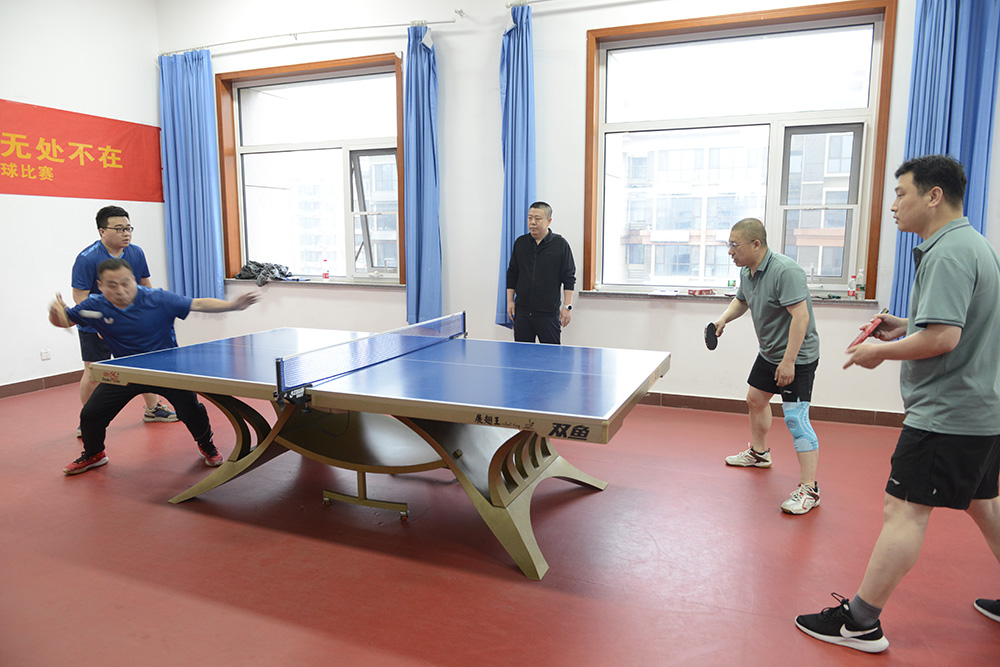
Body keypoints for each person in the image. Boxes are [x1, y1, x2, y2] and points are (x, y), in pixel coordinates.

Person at [795, 155, 1000, 653]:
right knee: (985, 505)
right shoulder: (974, 245)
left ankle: (860, 622)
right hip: (981, 410)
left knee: (903, 511)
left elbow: (945, 338)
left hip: (947, 414)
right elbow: (957, 322)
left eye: (901, 194)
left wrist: (879, 352)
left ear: (933, 196)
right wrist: (906, 326)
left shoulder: (948, 253)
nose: (893, 206)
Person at [49, 258, 261, 475]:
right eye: (112, 285)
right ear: (100, 286)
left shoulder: (158, 298)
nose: (120, 290)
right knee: (91, 414)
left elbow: (197, 304)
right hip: (126, 372)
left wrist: (234, 305)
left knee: (191, 411)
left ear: (134, 280)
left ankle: (206, 445)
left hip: (166, 371)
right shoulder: (94, 306)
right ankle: (94, 454)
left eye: (125, 283)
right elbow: (65, 320)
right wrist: (55, 313)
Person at [711, 218, 822, 515]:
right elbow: (742, 301)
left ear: (756, 244)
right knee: (755, 400)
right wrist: (723, 319)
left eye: (735, 246)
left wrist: (789, 362)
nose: (730, 252)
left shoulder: (786, 271)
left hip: (797, 356)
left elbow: (801, 317)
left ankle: (810, 489)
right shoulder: (747, 271)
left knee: (796, 419)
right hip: (770, 352)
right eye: (729, 245)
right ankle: (760, 454)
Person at [72, 205, 176, 433]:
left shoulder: (136, 252)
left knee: (143, 367)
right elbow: (80, 296)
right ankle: (87, 420)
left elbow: (145, 284)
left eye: (128, 228)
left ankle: (153, 409)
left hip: (131, 324)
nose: (126, 233)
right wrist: (100, 324)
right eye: (119, 229)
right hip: (95, 325)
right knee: (93, 373)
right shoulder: (87, 258)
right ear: (102, 231)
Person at [505, 201, 576, 344]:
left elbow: (569, 277)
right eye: (530, 218)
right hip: (522, 314)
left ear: (549, 221)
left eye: (537, 219)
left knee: (551, 355)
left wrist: (567, 307)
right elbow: (512, 274)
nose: (532, 222)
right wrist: (510, 301)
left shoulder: (560, 244)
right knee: (522, 355)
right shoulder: (520, 243)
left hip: (548, 315)